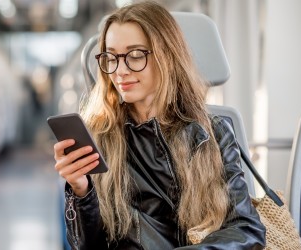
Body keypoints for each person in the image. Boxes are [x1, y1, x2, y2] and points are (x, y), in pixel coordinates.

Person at [52, 2, 266, 249]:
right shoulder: (99, 135)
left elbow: (246, 229)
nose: (120, 71)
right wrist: (82, 191)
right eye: (110, 57)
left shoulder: (213, 133)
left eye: (134, 55)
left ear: (167, 56)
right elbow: (92, 245)